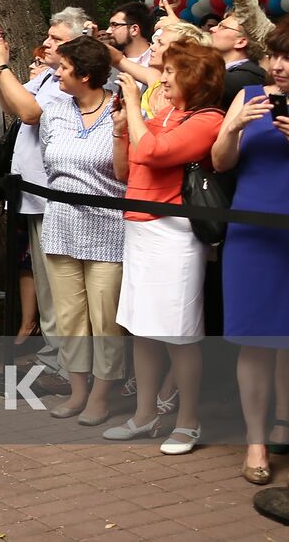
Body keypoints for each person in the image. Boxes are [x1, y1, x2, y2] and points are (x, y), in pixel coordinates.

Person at [104, 42, 224, 455]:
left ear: (195, 77)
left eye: (172, 71)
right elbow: (125, 170)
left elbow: (155, 154)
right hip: (139, 230)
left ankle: (188, 422)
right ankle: (144, 415)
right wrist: (122, 126)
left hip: (174, 235)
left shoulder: (208, 119)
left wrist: (136, 106)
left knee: (179, 332)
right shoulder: (163, 114)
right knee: (142, 328)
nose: (164, 77)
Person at [0, 8, 94, 393]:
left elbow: (27, 112)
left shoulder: (68, 83)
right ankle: (54, 360)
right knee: (46, 285)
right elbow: (11, 102)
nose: (47, 43)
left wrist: (3, 65)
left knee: (61, 290)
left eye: (56, 39)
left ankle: (64, 366)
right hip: (34, 194)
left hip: (56, 197)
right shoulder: (48, 76)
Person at [212, 18, 289, 483]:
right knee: (256, 339)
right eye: (275, 56)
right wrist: (233, 128)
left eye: (288, 58)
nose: (279, 67)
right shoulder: (247, 96)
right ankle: (256, 441)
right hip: (252, 234)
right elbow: (221, 163)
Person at [37, 36, 126, 425]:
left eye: (63, 68)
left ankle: (103, 395)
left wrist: (123, 130)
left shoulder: (121, 110)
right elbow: (48, 161)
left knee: (106, 318)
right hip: (60, 225)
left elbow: (125, 172)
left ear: (86, 75)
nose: (56, 72)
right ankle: (77, 391)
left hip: (109, 227)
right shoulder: (54, 111)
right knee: (71, 316)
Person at [210, 16, 266, 109]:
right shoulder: (219, 68)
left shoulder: (250, 77)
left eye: (222, 27)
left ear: (241, 42)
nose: (212, 29)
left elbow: (203, 78)